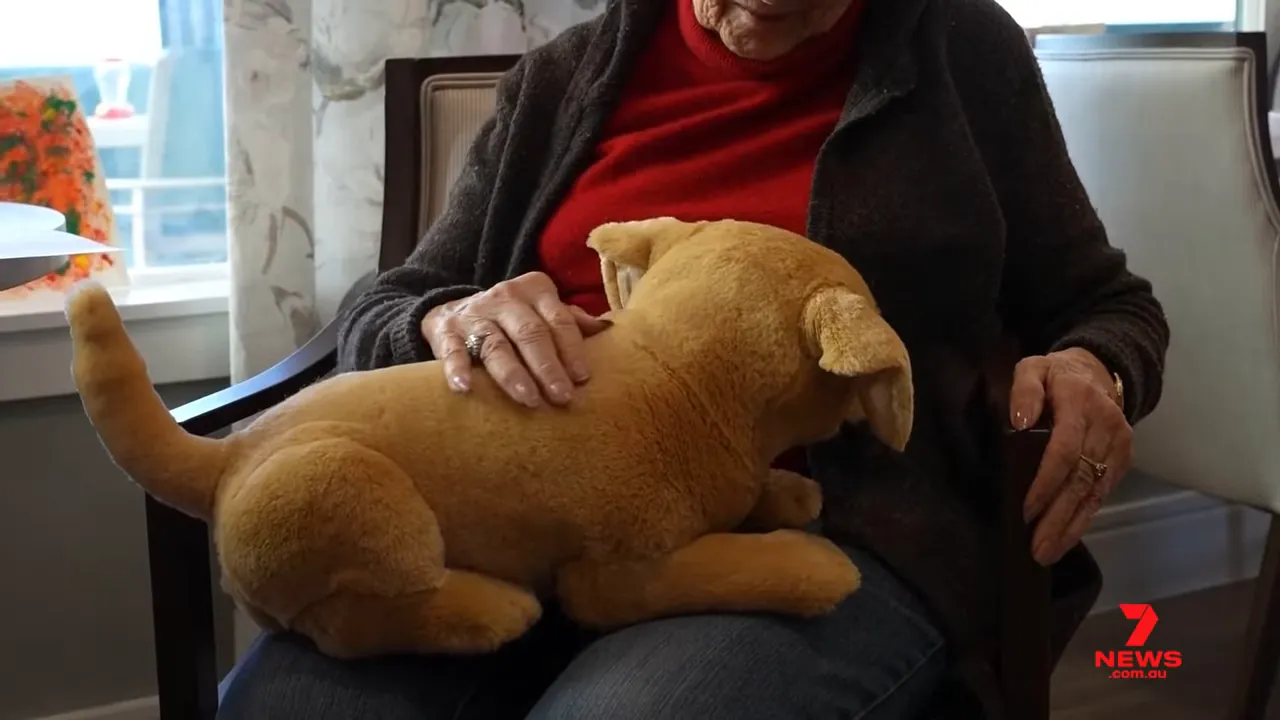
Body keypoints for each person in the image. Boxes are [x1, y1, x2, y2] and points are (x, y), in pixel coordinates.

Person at [217, 0, 1169, 717]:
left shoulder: (963, 53)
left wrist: (1095, 367)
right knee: (283, 703)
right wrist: (452, 318)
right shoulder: (565, 78)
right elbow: (386, 306)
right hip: (514, 531)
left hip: (825, 532)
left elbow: (1106, 304)